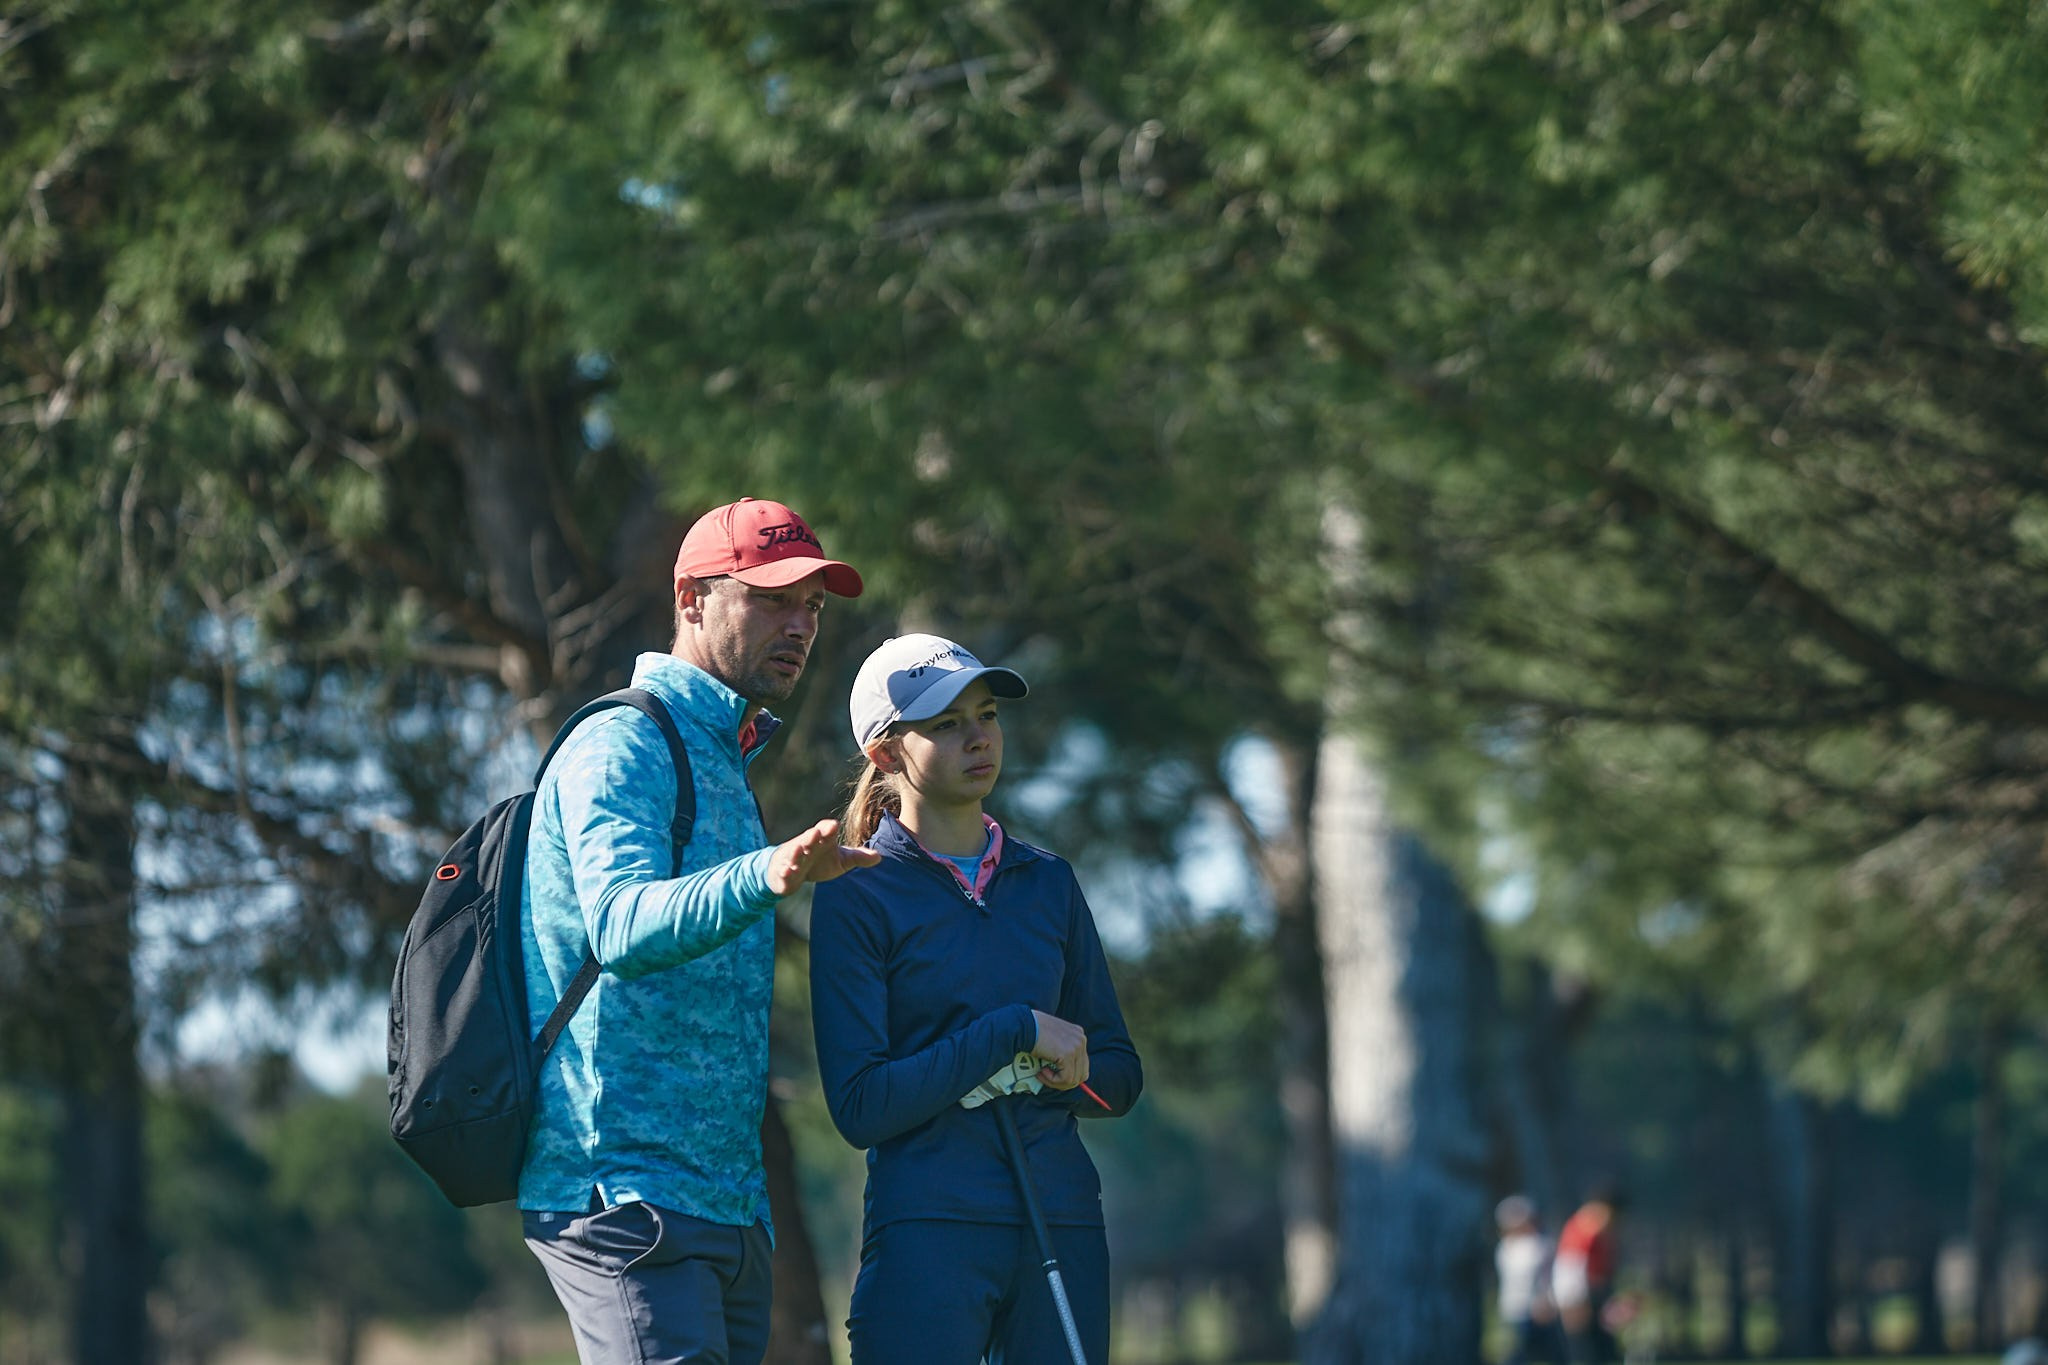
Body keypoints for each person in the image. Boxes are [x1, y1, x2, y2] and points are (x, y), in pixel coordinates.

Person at [518, 496, 880, 1365]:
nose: (799, 625)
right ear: (691, 600)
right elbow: (621, 923)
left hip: (724, 1206)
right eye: (772, 599)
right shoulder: (625, 742)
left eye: (813, 608)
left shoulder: (724, 756)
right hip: (625, 1197)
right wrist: (769, 873)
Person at [808, 633, 1144, 1365]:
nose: (978, 736)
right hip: (927, 1229)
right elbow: (861, 1104)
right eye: (945, 723)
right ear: (886, 754)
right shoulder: (855, 895)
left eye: (986, 714)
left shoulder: (1048, 881)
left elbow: (1118, 1076)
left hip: (1061, 1222)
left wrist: (1072, 1072)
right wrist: (1012, 1034)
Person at [1553, 1186, 1625, 1365]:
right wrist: (1575, 1301)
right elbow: (1570, 1269)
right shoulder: (1582, 1229)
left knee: (1603, 1352)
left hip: (1596, 1296)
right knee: (1586, 1354)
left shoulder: (1600, 1233)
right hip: (1581, 1301)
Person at [1495, 1194, 1561, 1365]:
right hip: (1515, 1308)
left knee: (1547, 1353)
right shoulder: (1505, 1246)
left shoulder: (1540, 1244)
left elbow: (1546, 1277)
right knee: (1520, 1352)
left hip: (1538, 1308)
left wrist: (1545, 1300)